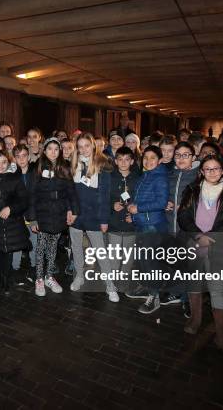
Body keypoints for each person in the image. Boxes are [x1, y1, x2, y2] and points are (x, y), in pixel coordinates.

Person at [177, 155, 223, 360]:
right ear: (201, 171)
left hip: (217, 246)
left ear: (222, 170)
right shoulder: (192, 190)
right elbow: (183, 215)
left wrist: (210, 237)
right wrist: (197, 235)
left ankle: (222, 337)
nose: (212, 172)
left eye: (216, 169)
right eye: (207, 169)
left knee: (217, 289)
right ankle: (195, 320)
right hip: (194, 244)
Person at [69, 133, 118, 302]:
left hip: (95, 215)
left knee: (100, 251)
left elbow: (105, 195)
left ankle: (110, 284)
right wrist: (69, 211)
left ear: (93, 146)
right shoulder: (74, 164)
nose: (84, 149)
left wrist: (104, 219)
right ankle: (79, 276)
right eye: (80, 146)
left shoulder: (103, 165)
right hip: (76, 214)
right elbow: (70, 192)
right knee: (76, 248)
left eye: (87, 145)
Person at [27, 138, 78, 297]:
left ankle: (49, 276)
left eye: (57, 149)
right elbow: (31, 195)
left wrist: (72, 210)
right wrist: (32, 218)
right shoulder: (37, 167)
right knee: (41, 247)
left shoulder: (64, 167)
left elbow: (71, 192)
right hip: (42, 213)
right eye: (50, 149)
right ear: (45, 150)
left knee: (53, 247)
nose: (53, 152)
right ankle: (39, 278)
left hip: (59, 213)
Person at [127, 146, 169, 314]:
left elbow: (161, 203)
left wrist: (138, 209)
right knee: (143, 261)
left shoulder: (159, 177)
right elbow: (137, 199)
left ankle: (155, 297)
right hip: (143, 224)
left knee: (151, 263)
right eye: (146, 157)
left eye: (153, 158)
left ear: (159, 160)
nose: (148, 161)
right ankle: (147, 288)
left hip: (153, 226)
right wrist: (133, 214)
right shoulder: (145, 176)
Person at [0, 150, 30, 295]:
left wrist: (10, 209)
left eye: (4, 162)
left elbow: (24, 200)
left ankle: (5, 280)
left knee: (8, 251)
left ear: (9, 163)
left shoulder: (15, 179)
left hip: (12, 222)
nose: (0, 165)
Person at [108, 146, 139, 294]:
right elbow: (103, 198)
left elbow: (140, 200)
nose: (123, 163)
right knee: (114, 256)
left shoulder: (137, 179)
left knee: (128, 256)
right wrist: (112, 205)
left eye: (127, 159)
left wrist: (133, 215)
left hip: (130, 224)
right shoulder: (110, 177)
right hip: (114, 223)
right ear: (115, 161)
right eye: (120, 159)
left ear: (132, 161)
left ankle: (124, 282)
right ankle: (112, 283)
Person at [13, 144, 37, 282]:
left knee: (34, 243)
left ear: (28, 156)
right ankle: (15, 269)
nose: (21, 159)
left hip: (32, 215)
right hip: (18, 216)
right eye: (18, 156)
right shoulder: (12, 174)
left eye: (24, 155)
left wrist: (36, 217)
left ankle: (34, 268)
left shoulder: (35, 172)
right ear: (14, 158)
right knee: (17, 244)